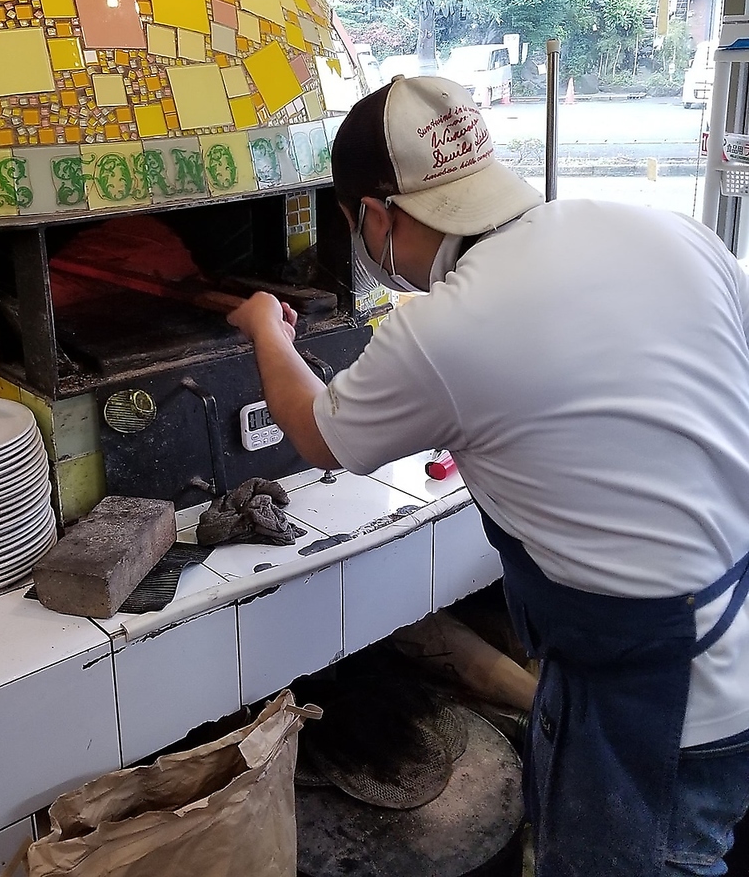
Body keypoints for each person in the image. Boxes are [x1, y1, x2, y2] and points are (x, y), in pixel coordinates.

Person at [226, 75, 749, 876]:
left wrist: (267, 328)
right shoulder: (666, 232)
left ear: (375, 214)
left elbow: (316, 433)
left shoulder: (447, 328)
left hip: (662, 702)